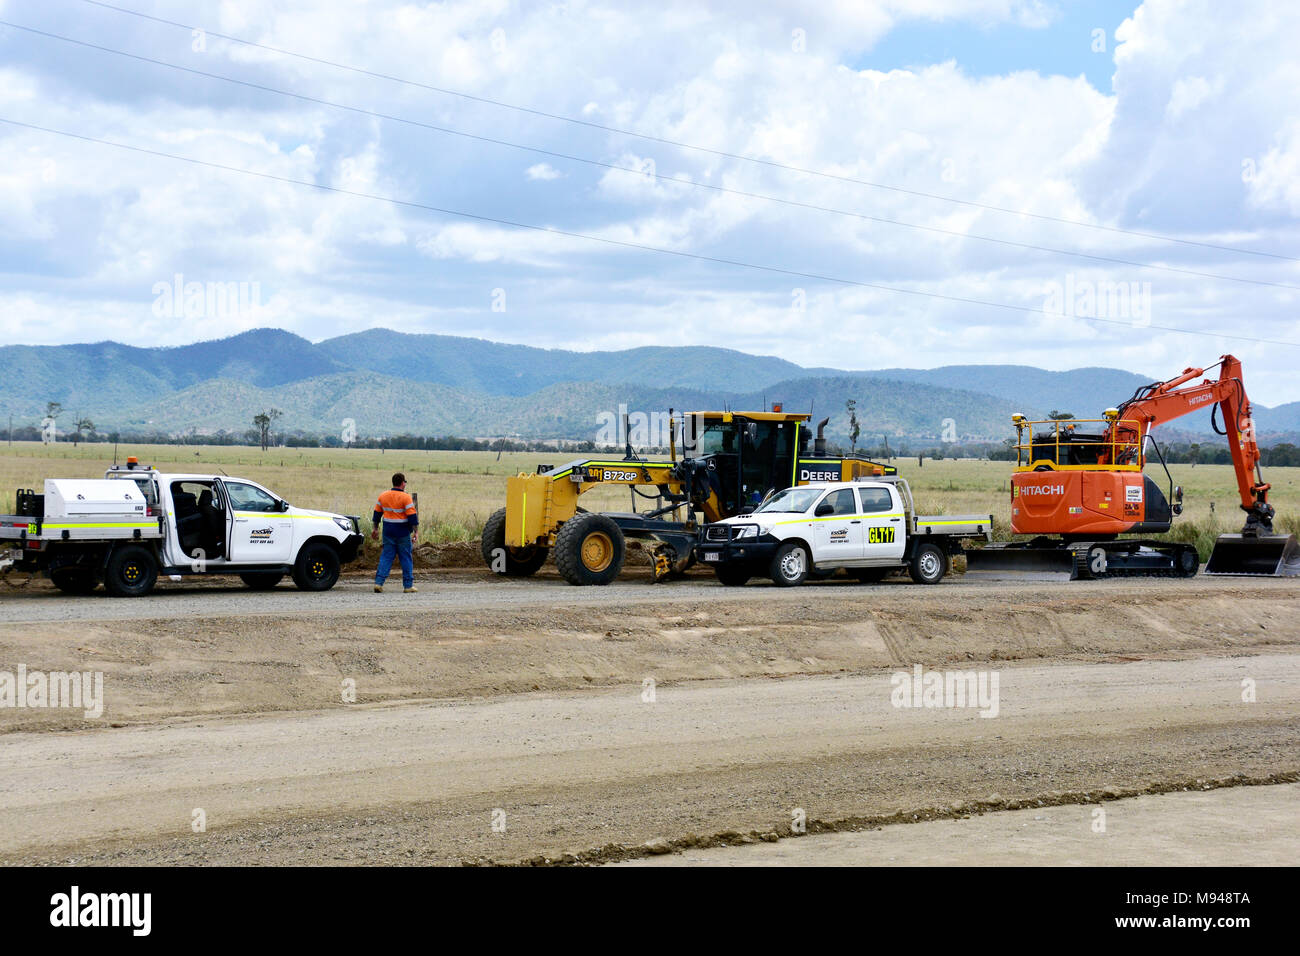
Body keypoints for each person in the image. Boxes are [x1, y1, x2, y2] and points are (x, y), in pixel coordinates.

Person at [372, 472, 418, 593]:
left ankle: (378, 583)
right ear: (403, 483)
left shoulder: (383, 496)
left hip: (388, 532)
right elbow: (412, 517)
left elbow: (376, 515)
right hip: (402, 532)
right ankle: (408, 586)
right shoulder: (406, 497)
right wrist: (416, 532)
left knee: (386, 557)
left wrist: (375, 529)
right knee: (406, 558)